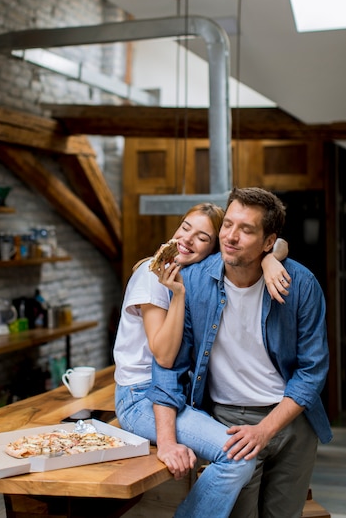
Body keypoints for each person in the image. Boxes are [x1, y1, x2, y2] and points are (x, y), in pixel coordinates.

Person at [147, 187, 332, 518]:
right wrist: (166, 440)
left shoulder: (301, 285)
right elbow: (170, 364)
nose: (230, 236)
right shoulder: (194, 281)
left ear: (268, 242)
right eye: (227, 224)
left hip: (292, 423)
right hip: (230, 424)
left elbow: (312, 370)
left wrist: (266, 429)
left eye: (246, 229)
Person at [113, 202, 290, 518]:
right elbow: (164, 356)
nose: (187, 240)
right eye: (185, 228)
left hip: (177, 394)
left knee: (241, 457)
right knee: (237, 458)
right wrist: (178, 296)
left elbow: (279, 242)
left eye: (202, 237)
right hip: (140, 397)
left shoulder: (196, 275)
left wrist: (269, 260)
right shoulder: (152, 275)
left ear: (214, 247)